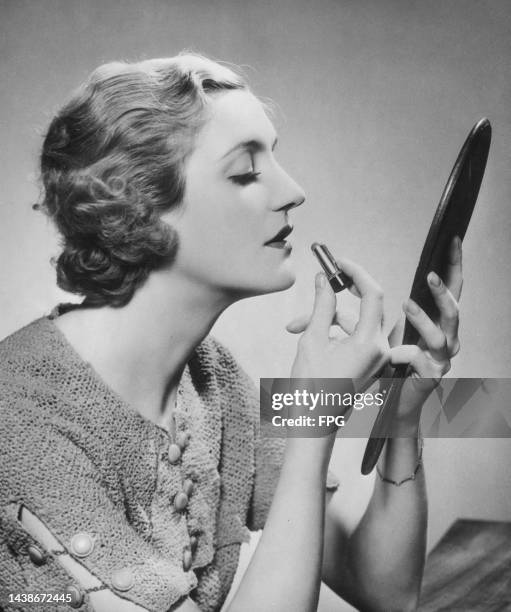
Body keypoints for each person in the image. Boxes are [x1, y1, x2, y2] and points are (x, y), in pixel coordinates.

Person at [0, 53, 462, 612]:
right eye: (245, 172)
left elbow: (386, 591)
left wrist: (400, 412)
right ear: (139, 207)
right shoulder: (19, 419)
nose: (293, 190)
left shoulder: (212, 380)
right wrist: (314, 426)